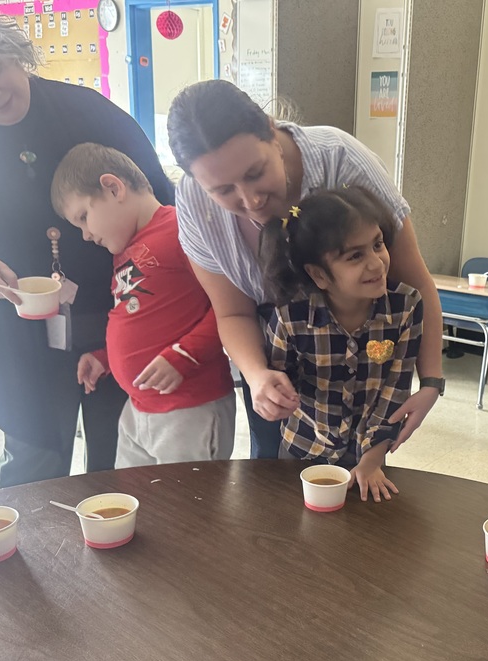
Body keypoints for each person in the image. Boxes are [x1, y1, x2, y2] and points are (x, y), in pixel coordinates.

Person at [0, 0, 173, 488]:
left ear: (13, 49)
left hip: (116, 314)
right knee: (32, 461)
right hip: (14, 329)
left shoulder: (87, 111)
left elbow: (159, 201)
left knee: (118, 462)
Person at [166, 80, 444, 460]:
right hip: (277, 353)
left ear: (270, 130)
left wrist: (431, 380)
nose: (251, 200)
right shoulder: (194, 204)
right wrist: (257, 376)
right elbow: (231, 311)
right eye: (223, 190)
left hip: (361, 345)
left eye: (254, 173)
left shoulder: (341, 160)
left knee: (364, 464)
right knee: (272, 465)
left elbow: (416, 285)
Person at [50, 143, 235, 468]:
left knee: (187, 513)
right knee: (137, 506)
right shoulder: (127, 248)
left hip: (190, 407)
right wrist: (106, 358)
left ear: (113, 187)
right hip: (139, 409)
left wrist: (185, 354)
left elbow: (232, 306)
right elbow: (142, 316)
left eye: (84, 217)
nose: (86, 235)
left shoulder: (182, 229)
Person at [260, 186, 423, 501]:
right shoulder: (290, 316)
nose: (376, 264)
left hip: (368, 452)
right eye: (355, 256)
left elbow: (395, 391)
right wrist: (274, 396)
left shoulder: (406, 307)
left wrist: (372, 460)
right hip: (301, 450)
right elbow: (278, 379)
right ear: (319, 274)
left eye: (378, 245)